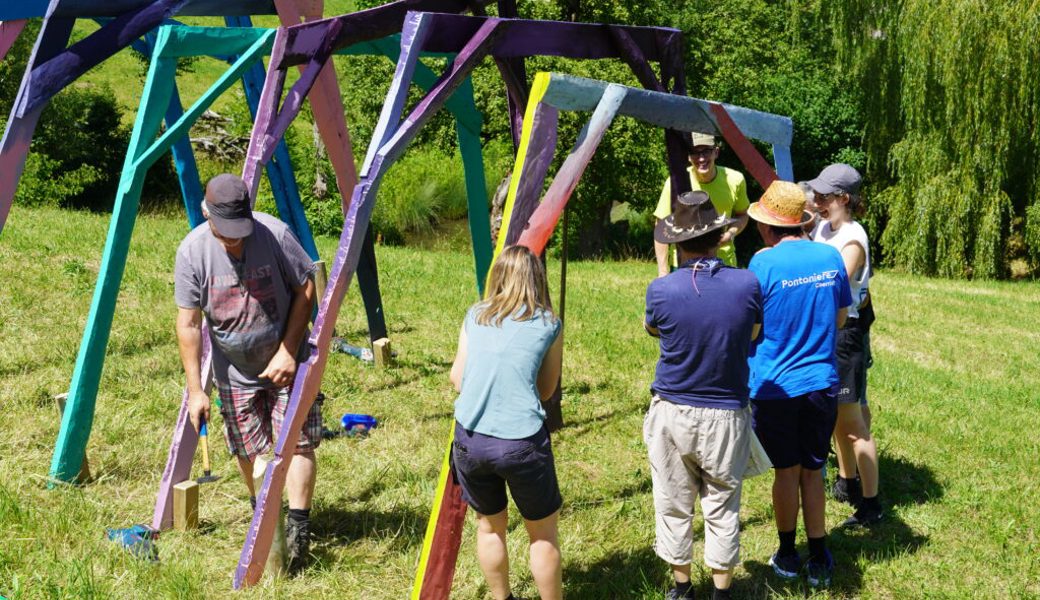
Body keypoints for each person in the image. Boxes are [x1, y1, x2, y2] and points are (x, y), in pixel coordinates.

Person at [174, 174, 319, 572]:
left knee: (299, 441)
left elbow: (308, 287)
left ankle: (298, 525)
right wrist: (195, 391)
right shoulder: (192, 253)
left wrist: (289, 350)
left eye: (241, 231)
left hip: (287, 362)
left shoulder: (274, 233)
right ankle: (264, 519)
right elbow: (188, 324)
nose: (235, 240)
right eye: (227, 233)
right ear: (207, 214)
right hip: (234, 371)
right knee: (247, 448)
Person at [643, 191, 763, 600]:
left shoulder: (661, 291)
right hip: (727, 411)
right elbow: (753, 333)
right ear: (720, 238)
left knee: (674, 503)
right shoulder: (747, 283)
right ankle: (722, 592)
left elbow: (656, 331)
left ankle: (681, 587)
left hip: (673, 408)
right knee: (723, 504)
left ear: (677, 242)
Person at [746, 180, 853, 588]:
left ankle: (788, 553)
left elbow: (753, 327)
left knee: (786, 473)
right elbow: (841, 319)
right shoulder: (830, 257)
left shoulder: (763, 264)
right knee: (814, 469)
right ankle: (820, 554)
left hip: (775, 385)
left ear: (768, 226)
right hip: (821, 383)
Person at [449, 245, 565, 600]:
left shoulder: (476, 315)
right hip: (522, 443)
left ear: (496, 277)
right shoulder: (549, 324)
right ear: (538, 279)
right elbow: (547, 391)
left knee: (489, 528)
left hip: (470, 438)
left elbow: (457, 378)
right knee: (542, 535)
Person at [808, 164, 882, 526]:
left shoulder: (853, 239)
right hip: (829, 331)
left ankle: (871, 505)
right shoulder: (824, 226)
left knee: (854, 423)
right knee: (838, 414)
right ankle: (846, 481)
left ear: (844, 198)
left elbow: (834, 286)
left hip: (845, 333)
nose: (817, 201)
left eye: (824, 196)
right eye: (817, 194)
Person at [654, 132, 750, 275]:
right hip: (683, 265)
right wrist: (662, 270)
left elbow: (743, 214)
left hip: (723, 263)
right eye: (695, 152)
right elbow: (661, 224)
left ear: (716, 152)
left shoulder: (735, 179)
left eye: (706, 151)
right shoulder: (676, 182)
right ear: (688, 156)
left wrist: (731, 233)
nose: (701, 158)